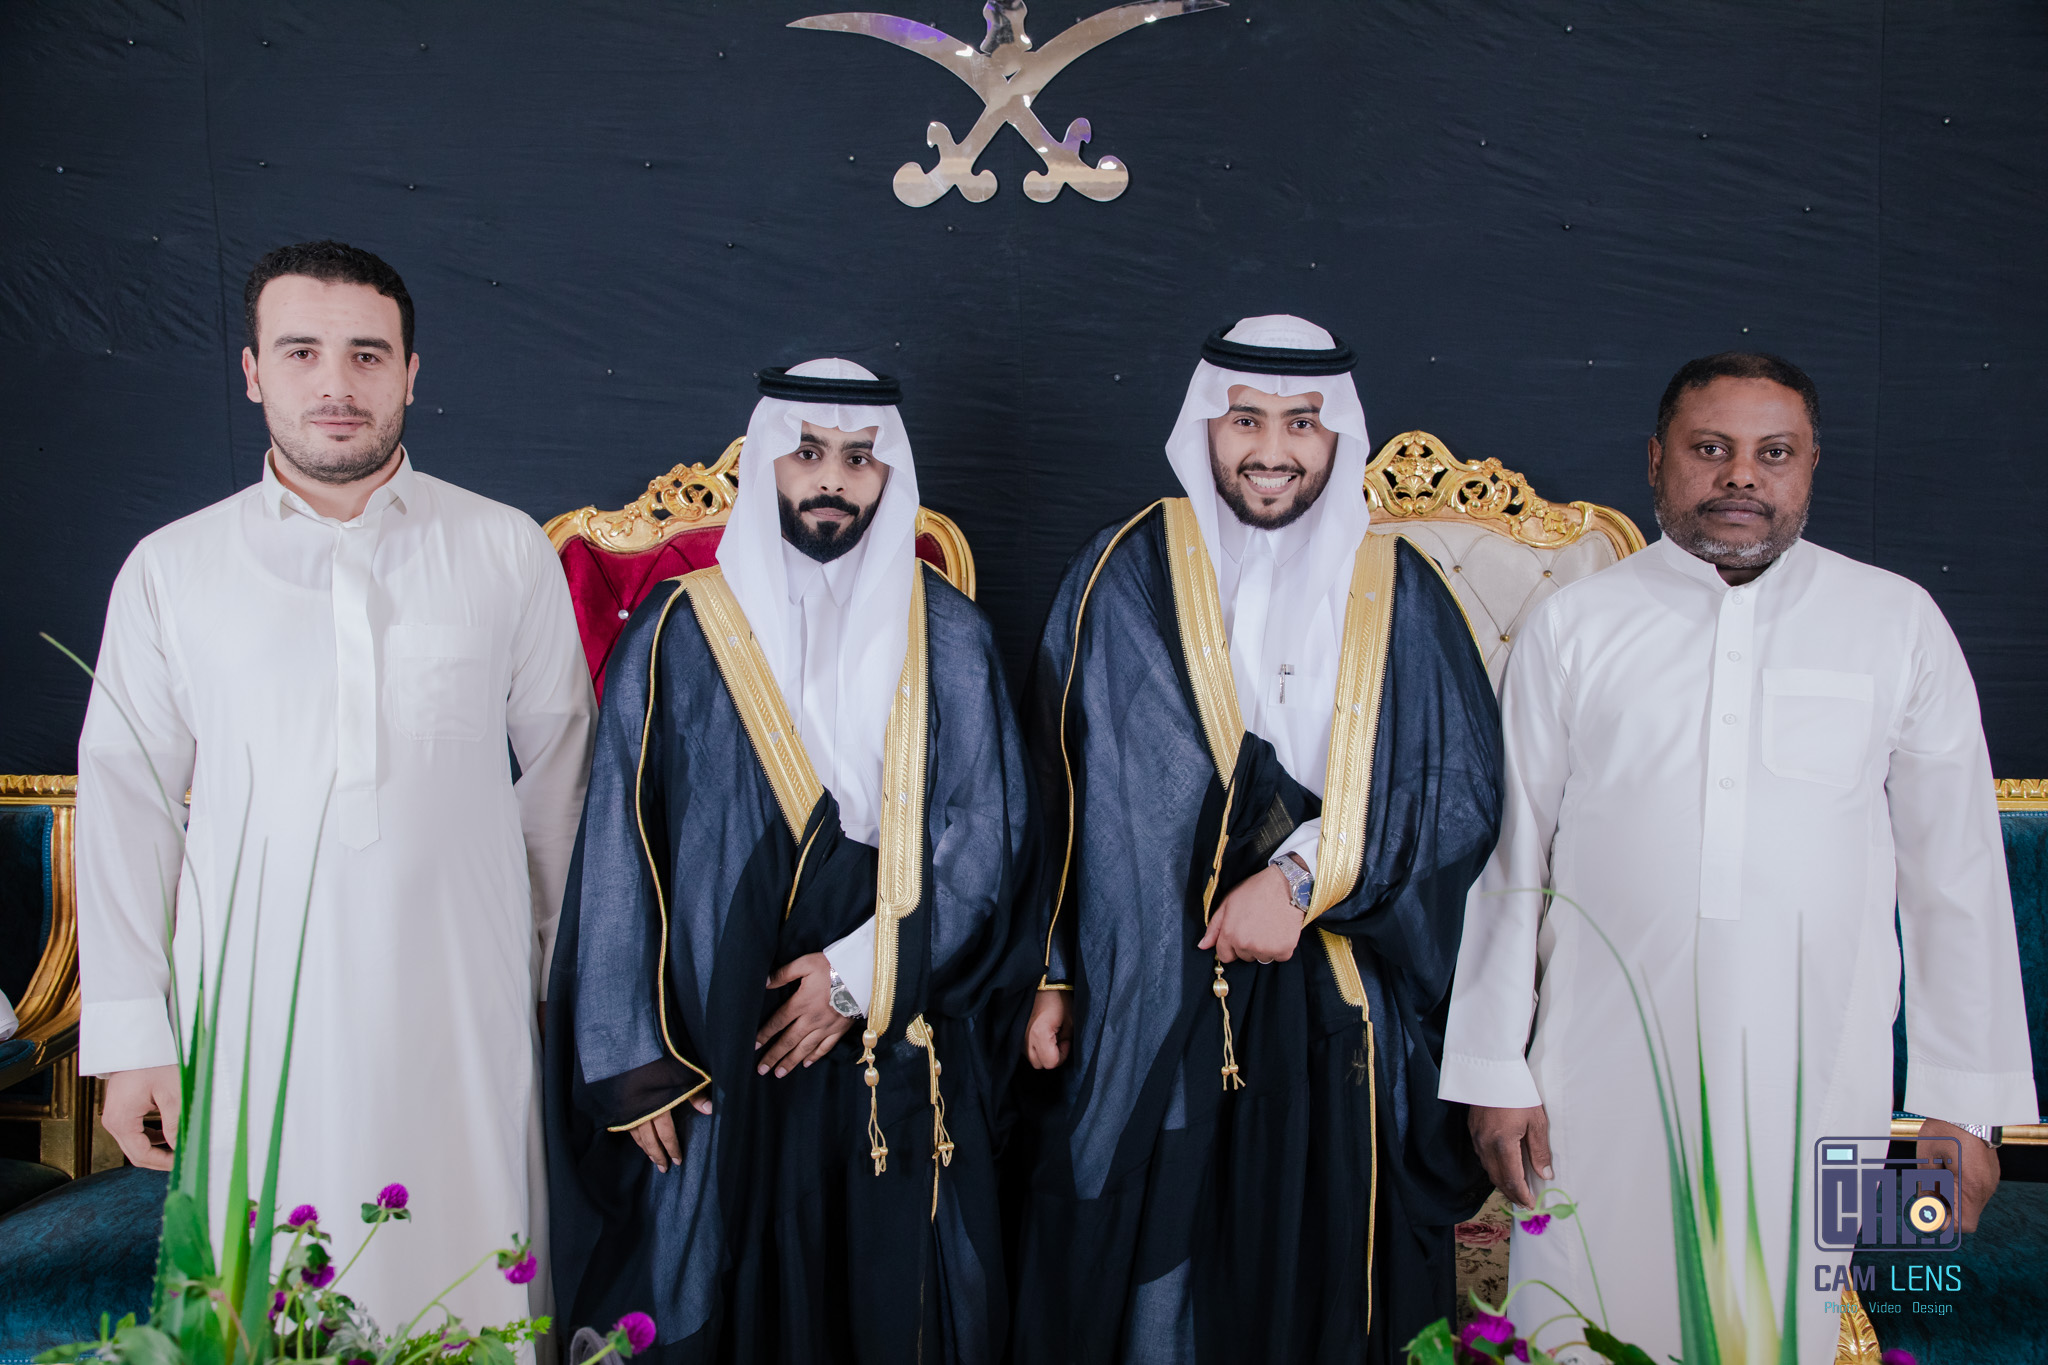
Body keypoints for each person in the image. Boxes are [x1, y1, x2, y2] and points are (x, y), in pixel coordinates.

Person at [1440, 352, 2037, 1362]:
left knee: (1780, 1322)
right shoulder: (1576, 625)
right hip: (1593, 1066)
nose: (1740, 477)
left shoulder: (1895, 622)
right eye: (1709, 448)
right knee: (1579, 1320)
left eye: (1774, 453)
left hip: (1819, 1067)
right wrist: (1494, 1064)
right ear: (1655, 460)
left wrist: (1964, 1105)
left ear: (1810, 466)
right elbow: (1511, 858)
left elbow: (1957, 879)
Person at [77, 241, 595, 1330]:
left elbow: (563, 779)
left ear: (411, 372)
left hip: (465, 998)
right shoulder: (173, 568)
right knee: (266, 1296)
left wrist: (555, 987)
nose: (335, 383)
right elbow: (125, 804)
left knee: (472, 1276)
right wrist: (131, 1038)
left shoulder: (502, 549)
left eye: (366, 354)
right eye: (301, 351)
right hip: (250, 1014)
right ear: (252, 371)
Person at [1010, 316, 1504, 1363]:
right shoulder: (1123, 569)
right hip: (1149, 979)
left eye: (1300, 424)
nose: (1271, 449)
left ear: (1338, 437)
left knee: (1311, 1269)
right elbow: (1058, 786)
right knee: (1154, 1271)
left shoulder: (1398, 586)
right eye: (1245, 419)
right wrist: (1052, 973)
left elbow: (1452, 794)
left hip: (1338, 982)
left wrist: (1298, 875)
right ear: (1205, 424)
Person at [543, 360, 1037, 1364]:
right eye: (807, 452)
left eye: (858, 458)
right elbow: (618, 846)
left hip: (895, 1018)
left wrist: (858, 975)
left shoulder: (951, 636)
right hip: (713, 1037)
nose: (832, 478)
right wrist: (633, 1062)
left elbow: (986, 838)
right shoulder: (680, 629)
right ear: (768, 458)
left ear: (888, 475)